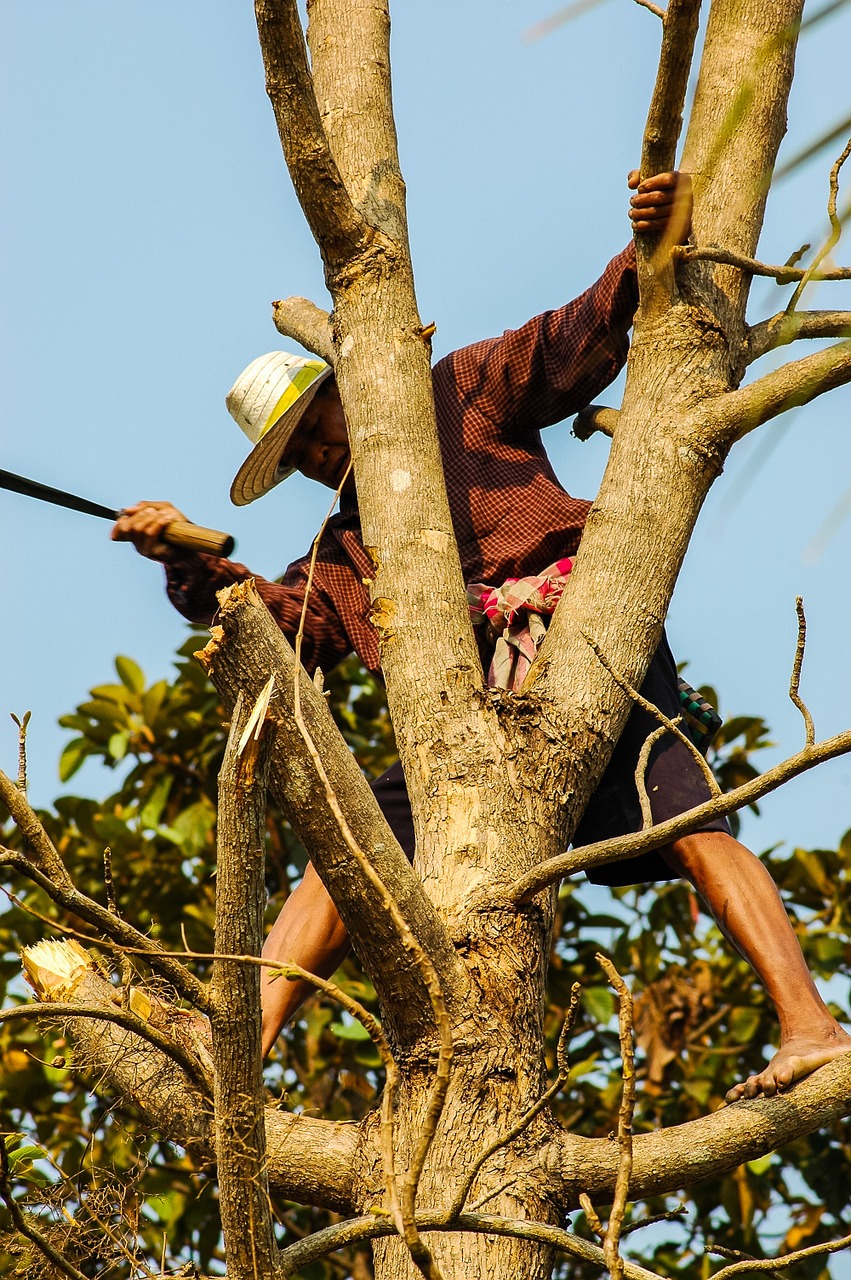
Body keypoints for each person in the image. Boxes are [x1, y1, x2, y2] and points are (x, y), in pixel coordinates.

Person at [114, 172, 850, 1103]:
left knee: (690, 825)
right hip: (458, 734)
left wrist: (649, 246)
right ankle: (241, 1047)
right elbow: (273, 623)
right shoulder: (342, 546)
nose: (316, 457)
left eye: (315, 428)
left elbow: (573, 337)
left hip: (579, 638)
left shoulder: (457, 391)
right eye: (295, 457)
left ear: (351, 388)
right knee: (349, 846)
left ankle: (809, 1024)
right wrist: (180, 564)